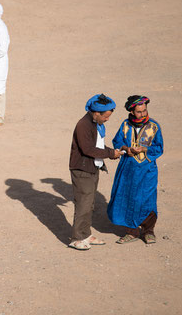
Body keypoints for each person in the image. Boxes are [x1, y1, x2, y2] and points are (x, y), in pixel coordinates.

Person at [107, 95, 164, 244]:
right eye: (139, 112)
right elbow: (117, 141)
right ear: (132, 112)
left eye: (144, 110)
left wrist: (145, 149)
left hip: (147, 170)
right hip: (128, 169)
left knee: (147, 199)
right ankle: (131, 231)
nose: (143, 114)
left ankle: (148, 231)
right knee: (126, 197)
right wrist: (126, 148)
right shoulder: (125, 125)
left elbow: (159, 147)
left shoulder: (154, 126)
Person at [68, 94, 122, 250]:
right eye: (105, 116)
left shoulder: (95, 124)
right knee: (83, 204)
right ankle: (76, 238)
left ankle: (86, 234)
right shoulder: (83, 125)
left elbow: (97, 146)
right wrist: (111, 154)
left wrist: (110, 153)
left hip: (92, 167)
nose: (107, 120)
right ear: (96, 113)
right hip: (82, 169)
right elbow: (88, 149)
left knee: (90, 203)